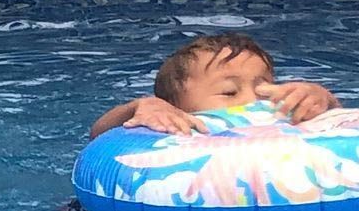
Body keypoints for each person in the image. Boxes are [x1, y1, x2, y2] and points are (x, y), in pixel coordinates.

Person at [87, 32, 337, 139]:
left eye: (264, 89)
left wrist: (321, 98)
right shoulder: (172, 124)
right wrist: (140, 107)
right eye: (229, 92)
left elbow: (342, 124)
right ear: (178, 107)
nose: (253, 101)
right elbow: (98, 134)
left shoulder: (281, 120)